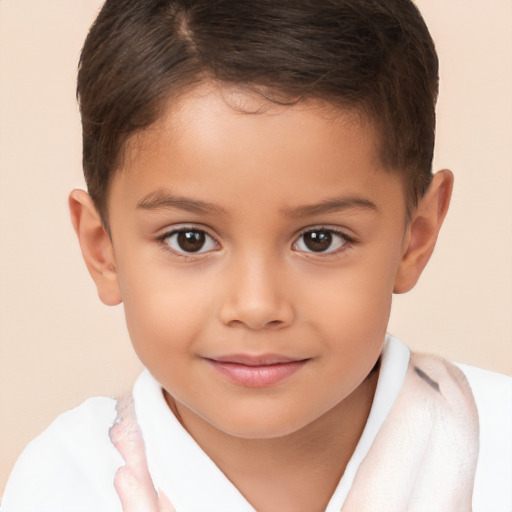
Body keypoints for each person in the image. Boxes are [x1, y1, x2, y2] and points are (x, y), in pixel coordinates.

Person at [2, 0, 511, 510]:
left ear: (414, 237)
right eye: (190, 239)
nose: (256, 305)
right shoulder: (65, 486)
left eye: (319, 239)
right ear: (103, 248)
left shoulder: (498, 453)